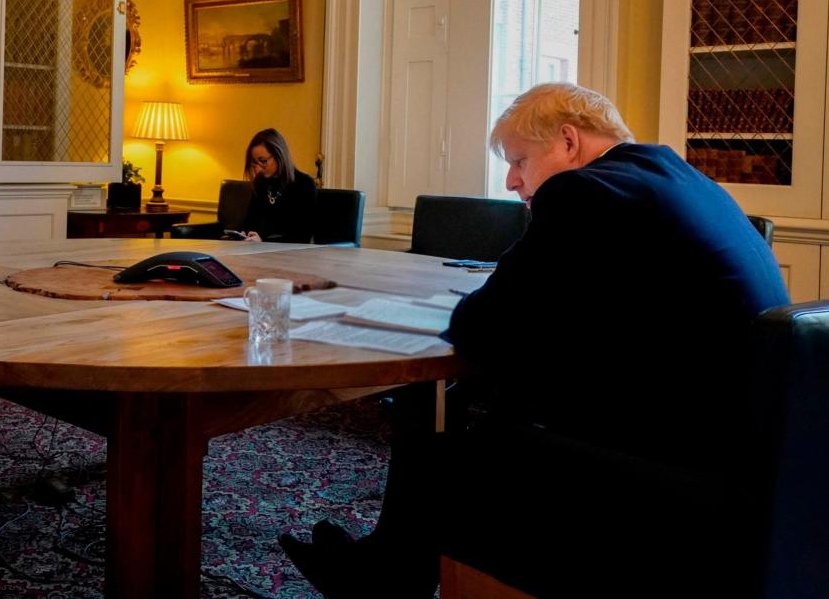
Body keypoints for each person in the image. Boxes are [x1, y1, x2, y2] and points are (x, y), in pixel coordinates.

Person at [278, 83, 791, 598]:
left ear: (568, 142)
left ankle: (385, 578)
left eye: (520, 159)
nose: (511, 180)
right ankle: (386, 568)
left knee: (440, 417)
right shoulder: (675, 177)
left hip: (676, 461)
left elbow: (482, 326)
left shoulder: (586, 191)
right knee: (469, 396)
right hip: (750, 447)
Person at [237, 128, 316, 243]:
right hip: (259, 252)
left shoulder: (304, 184)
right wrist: (243, 233)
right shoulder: (260, 182)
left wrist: (264, 242)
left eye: (263, 161)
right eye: (254, 163)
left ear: (279, 155)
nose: (258, 169)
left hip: (292, 256)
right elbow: (250, 221)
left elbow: (302, 235)